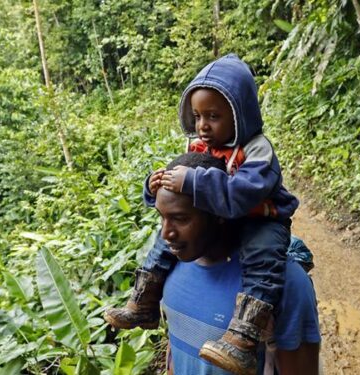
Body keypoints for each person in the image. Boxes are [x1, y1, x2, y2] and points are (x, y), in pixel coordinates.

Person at [105, 54, 299, 374]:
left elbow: (241, 194)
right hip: (221, 215)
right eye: (197, 116)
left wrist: (193, 181)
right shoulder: (202, 147)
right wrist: (154, 186)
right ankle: (144, 302)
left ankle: (243, 337)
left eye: (213, 116)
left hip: (261, 217)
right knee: (164, 239)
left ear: (240, 115)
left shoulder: (257, 149)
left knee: (262, 259)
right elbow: (179, 196)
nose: (203, 126)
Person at [157, 153, 320, 375]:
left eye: (181, 219)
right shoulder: (170, 266)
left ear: (220, 212)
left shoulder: (286, 283)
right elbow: (177, 349)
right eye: (161, 217)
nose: (166, 233)